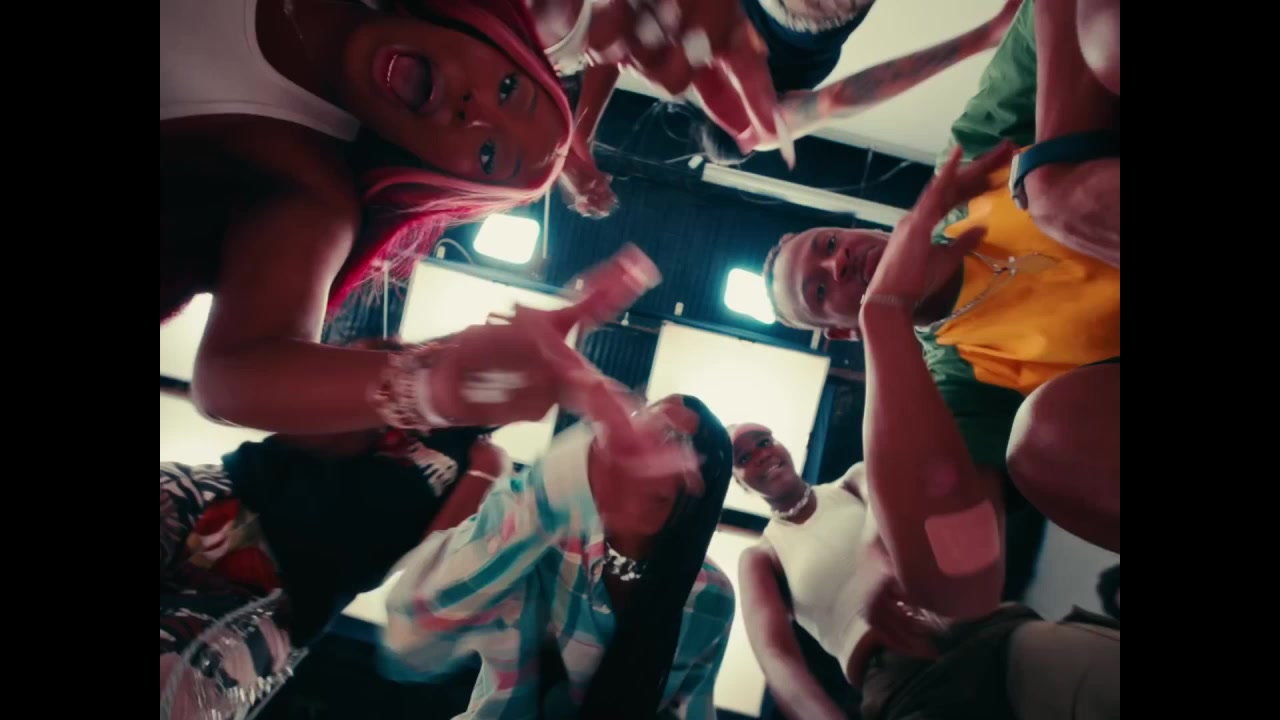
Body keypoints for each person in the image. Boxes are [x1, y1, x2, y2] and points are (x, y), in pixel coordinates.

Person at [760, 14, 1122, 554]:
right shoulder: (957, 383)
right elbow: (948, 544)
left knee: (1102, 38)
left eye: (829, 243)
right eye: (819, 291)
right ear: (845, 332)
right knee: (1037, 443)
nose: (838, 264)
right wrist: (885, 315)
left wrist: (1049, 163)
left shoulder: (970, 159)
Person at [161, 0, 579, 436]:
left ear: (441, 174)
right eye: (508, 88)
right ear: (491, 35)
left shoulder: (312, 190)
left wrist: (434, 386)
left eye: (489, 154)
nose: (475, 112)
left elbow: (232, 377)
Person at [379, 395, 736, 720]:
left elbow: (690, 709)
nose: (641, 444)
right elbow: (411, 634)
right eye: (639, 421)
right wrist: (552, 489)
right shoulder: (543, 532)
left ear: (699, 486)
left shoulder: (710, 595)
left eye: (671, 438)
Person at [733, 424, 1120, 720]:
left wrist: (877, 560)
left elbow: (886, 508)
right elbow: (777, 660)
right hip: (905, 684)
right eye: (744, 457)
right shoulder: (762, 557)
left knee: (1100, 675)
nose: (761, 454)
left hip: (981, 628)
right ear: (739, 484)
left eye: (764, 441)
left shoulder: (852, 481)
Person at [160, 412, 506, 719]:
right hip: (223, 493)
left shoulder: (482, 459)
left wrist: (484, 471)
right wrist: (388, 400)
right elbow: (277, 418)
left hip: (288, 592)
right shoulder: (389, 380)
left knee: (178, 692)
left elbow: (432, 556)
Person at [553, 0, 1022, 216]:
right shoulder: (688, 66)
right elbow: (609, 36)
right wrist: (579, 139)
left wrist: (982, 37)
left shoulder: (748, 127)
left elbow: (840, 99)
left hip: (804, 15)